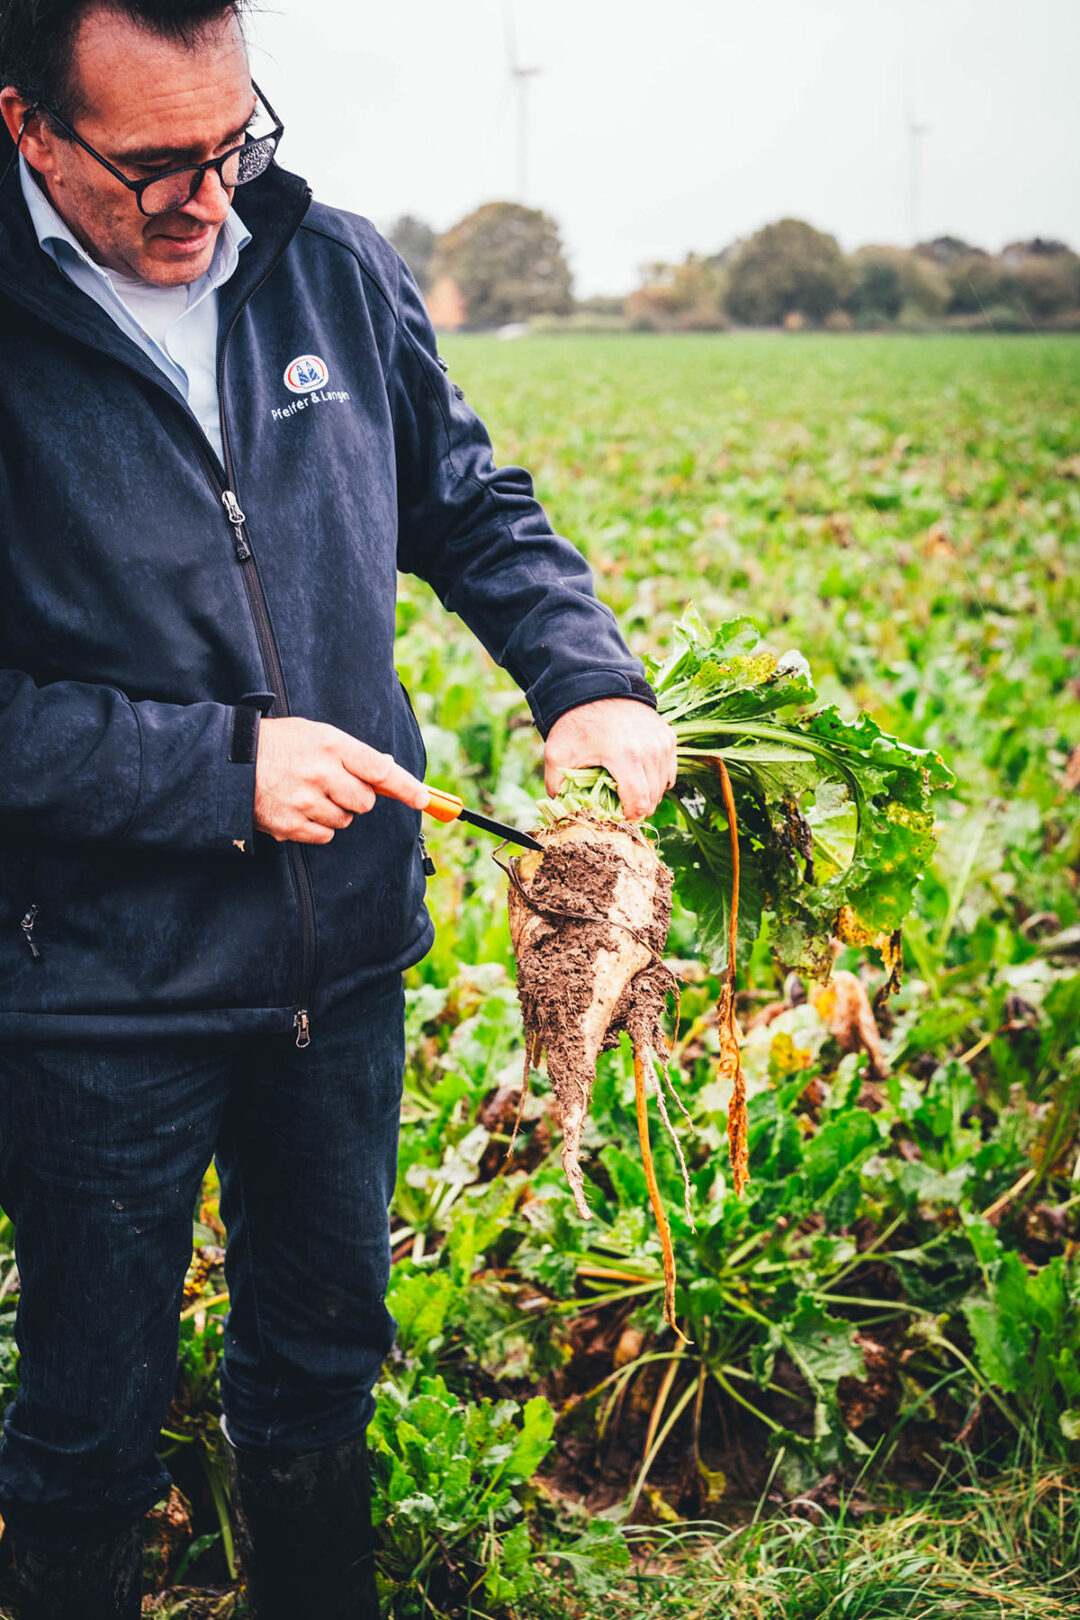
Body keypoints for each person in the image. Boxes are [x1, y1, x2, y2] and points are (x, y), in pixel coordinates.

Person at [0, 1, 677, 1614]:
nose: (206, 197)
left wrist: (584, 676)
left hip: (342, 966)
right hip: (103, 992)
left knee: (321, 1368)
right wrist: (218, 771)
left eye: (234, 143)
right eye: (155, 164)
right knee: (91, 1424)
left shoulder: (331, 265)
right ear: (28, 126)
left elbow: (473, 504)